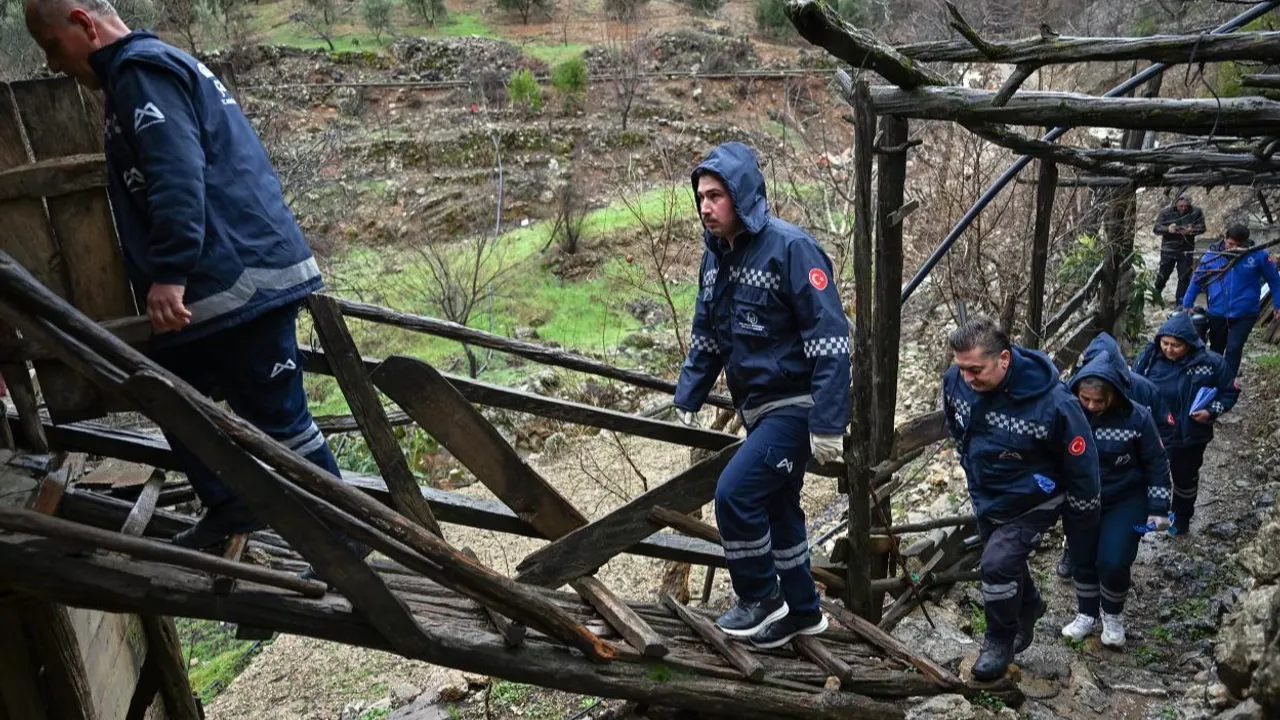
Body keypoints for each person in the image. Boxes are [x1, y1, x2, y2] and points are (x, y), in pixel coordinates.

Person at [24, 0, 344, 558]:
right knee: (169, 391)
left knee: (279, 419)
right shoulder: (146, 69)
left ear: (82, 23)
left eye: (53, 47)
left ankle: (345, 542)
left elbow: (175, 171)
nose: (53, 64)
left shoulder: (141, 72)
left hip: (238, 279)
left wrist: (170, 272)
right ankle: (231, 504)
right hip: (224, 280)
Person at [674, 142, 850, 649]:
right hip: (756, 409)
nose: (705, 207)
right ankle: (804, 611)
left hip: (796, 407)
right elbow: (707, 335)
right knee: (779, 511)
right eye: (701, 197)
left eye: (716, 196)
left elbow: (831, 340)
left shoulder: (792, 249)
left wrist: (828, 423)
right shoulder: (716, 260)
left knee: (734, 493)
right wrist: (688, 395)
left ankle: (761, 597)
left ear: (742, 194)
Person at [942, 317, 1100, 681]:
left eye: (976, 369)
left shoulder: (1054, 403)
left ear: (1004, 359)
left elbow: (1082, 462)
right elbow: (955, 421)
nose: (967, 378)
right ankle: (1029, 604)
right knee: (1003, 558)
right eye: (961, 368)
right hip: (987, 491)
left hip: (1035, 496)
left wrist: (1083, 517)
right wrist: (969, 460)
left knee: (996, 563)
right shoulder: (956, 381)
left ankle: (1000, 639)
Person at [1059, 349, 1171, 648]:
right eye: (1086, 399)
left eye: (1099, 400)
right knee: (1082, 558)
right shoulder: (1067, 415)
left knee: (1113, 560)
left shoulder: (1138, 418)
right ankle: (1086, 614)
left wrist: (1159, 507)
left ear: (1114, 395)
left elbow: (1156, 462)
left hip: (1125, 499)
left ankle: (1112, 615)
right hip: (1080, 500)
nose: (1092, 406)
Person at [1134, 313, 1239, 535]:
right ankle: (1145, 515)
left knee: (1184, 479)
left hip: (1191, 435)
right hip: (1155, 434)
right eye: (1165, 343)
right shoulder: (1150, 359)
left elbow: (1230, 391)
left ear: (1189, 343)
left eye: (1176, 345)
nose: (1169, 349)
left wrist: (1211, 411)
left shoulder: (1210, 363)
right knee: (1148, 474)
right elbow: (1134, 387)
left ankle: (1181, 518)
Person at [1182, 223, 1280, 381]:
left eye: (1239, 245)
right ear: (1224, 238)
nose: (1234, 248)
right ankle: (1213, 381)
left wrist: (1278, 304)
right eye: (1231, 244)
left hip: (1246, 312)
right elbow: (1197, 281)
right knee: (1216, 348)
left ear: (1246, 242)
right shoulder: (1211, 256)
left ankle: (1227, 383)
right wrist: (1187, 304)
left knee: (1234, 347)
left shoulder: (1258, 255)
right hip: (1217, 311)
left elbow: (1274, 279)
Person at [1152, 193, 1206, 306]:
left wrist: (1192, 230)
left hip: (1186, 249)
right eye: (1181, 206)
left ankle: (1180, 302)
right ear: (1176, 204)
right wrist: (1168, 229)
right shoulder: (1166, 212)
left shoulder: (1196, 212)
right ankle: (1155, 296)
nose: (1183, 208)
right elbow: (1156, 228)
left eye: (1186, 206)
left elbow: (1202, 227)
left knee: (1184, 277)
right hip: (1169, 248)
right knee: (1163, 274)